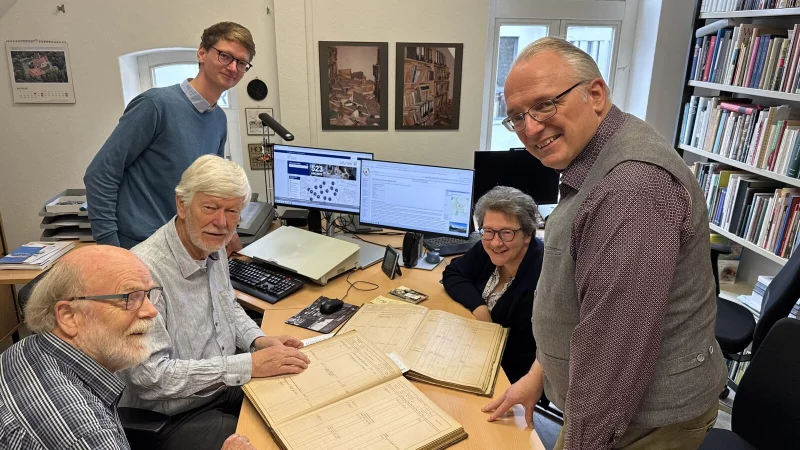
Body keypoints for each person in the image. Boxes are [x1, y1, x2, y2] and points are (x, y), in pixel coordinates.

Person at [482, 37, 727, 449]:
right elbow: (581, 307)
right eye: (517, 116)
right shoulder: (595, 155)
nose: (531, 127)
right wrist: (537, 378)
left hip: (644, 419)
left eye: (545, 104)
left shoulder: (630, 190)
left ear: (595, 94)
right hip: (612, 407)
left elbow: (612, 360)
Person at [117, 155, 310, 450]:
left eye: (232, 211)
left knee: (298, 398)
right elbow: (151, 378)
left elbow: (228, 307)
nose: (221, 223)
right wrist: (248, 364)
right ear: (182, 204)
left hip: (219, 388)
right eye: (210, 208)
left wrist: (258, 341)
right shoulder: (145, 272)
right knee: (272, 443)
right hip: (171, 414)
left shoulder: (212, 246)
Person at [84, 21, 255, 251]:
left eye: (241, 62)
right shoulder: (155, 105)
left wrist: (229, 232)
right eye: (225, 56)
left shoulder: (218, 120)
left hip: (185, 247)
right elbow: (100, 174)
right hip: (139, 247)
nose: (233, 67)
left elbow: (212, 189)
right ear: (202, 53)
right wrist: (110, 249)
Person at [0, 245, 158, 449]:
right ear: (69, 316)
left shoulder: (26, 348)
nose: (151, 311)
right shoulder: (86, 434)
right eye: (128, 297)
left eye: (147, 295)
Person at [442, 186, 544, 384]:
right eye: (488, 231)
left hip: (507, 373)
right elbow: (453, 273)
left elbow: (523, 355)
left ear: (528, 234)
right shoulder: (487, 246)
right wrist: (480, 308)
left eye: (507, 233)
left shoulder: (540, 276)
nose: (496, 243)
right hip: (474, 347)